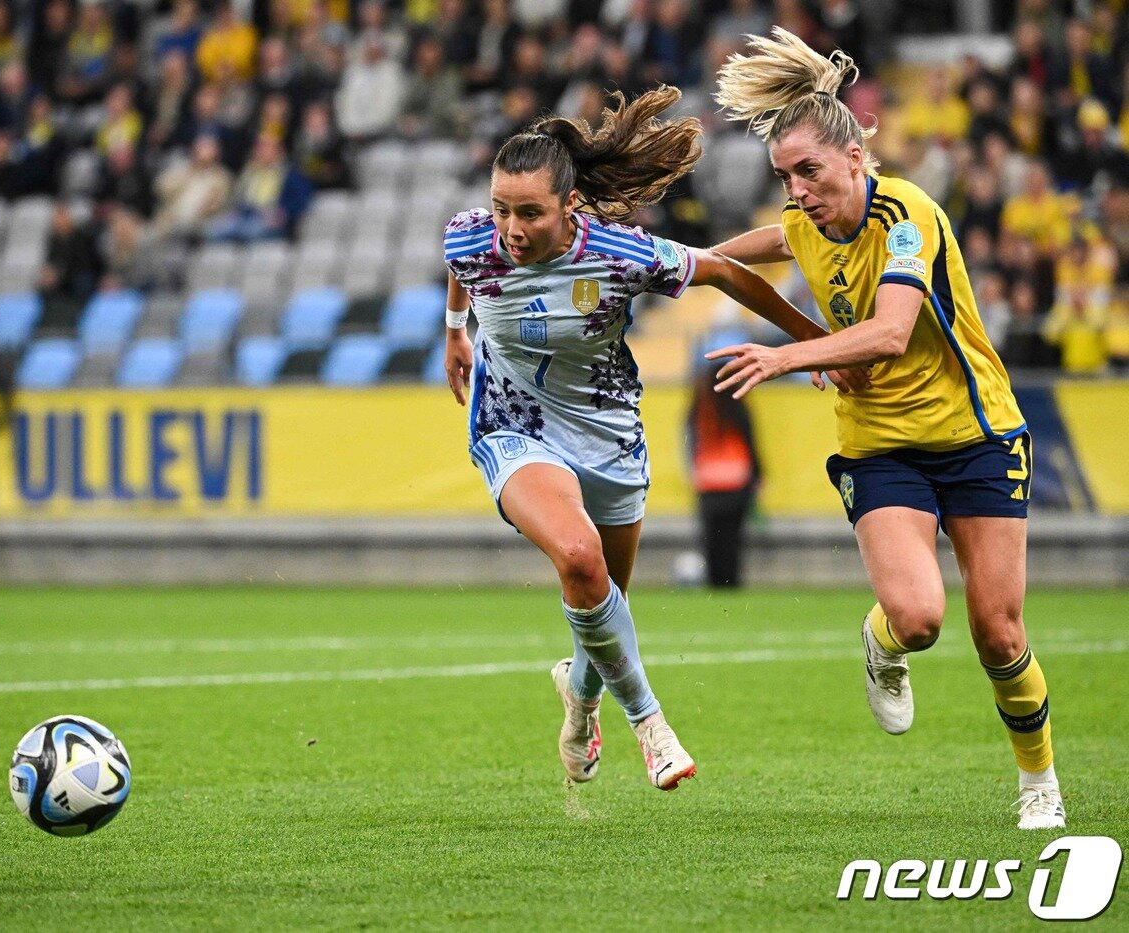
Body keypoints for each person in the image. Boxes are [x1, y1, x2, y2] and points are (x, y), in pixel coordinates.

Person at [442, 86, 856, 792]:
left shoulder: (619, 253)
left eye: (530, 212)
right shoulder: (471, 236)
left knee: (598, 597)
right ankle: (652, 725)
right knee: (578, 555)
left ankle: (581, 700)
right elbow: (463, 268)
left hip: (609, 436)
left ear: (569, 207)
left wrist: (821, 344)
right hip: (514, 427)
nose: (510, 227)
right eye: (503, 207)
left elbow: (726, 271)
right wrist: (456, 331)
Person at [708, 28, 1064, 829]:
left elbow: (892, 330)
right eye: (785, 176)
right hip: (881, 445)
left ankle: (1039, 782)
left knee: (999, 631)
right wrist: (642, 264)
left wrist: (786, 356)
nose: (796, 191)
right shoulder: (802, 227)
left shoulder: (909, 217)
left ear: (856, 161)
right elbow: (719, 263)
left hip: (978, 435)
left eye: (810, 171)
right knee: (919, 619)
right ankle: (883, 644)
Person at [684, 360, 760, 588]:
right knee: (733, 540)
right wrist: (758, 476)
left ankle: (713, 584)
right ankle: (731, 582)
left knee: (711, 540)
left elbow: (690, 445)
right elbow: (750, 443)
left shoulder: (698, 409)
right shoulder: (738, 406)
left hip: (708, 482)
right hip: (737, 481)